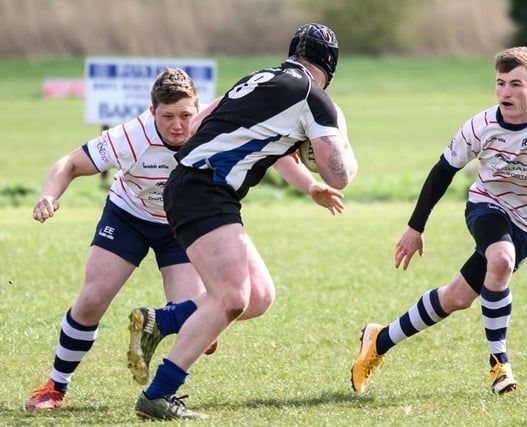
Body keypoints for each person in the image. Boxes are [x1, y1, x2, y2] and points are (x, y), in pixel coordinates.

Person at [24, 67, 343, 412]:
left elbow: (276, 153)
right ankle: (55, 387)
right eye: (167, 117)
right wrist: (48, 195)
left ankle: (155, 323)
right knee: (92, 300)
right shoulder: (133, 136)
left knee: (210, 328)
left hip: (185, 227)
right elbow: (69, 163)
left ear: (198, 108)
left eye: (185, 115)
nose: (178, 125)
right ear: (152, 113)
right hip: (129, 217)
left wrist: (310, 185)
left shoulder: (215, 124)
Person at [128, 23, 357, 421]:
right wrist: (340, 140)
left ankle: (161, 320)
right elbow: (340, 175)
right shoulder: (314, 98)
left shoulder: (260, 78)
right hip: (204, 188)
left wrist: (306, 183)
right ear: (330, 64)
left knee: (258, 296)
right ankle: (159, 394)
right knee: (232, 298)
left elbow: (199, 125)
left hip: (197, 186)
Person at [351, 46, 527, 395]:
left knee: (456, 298)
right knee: (500, 260)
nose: (506, 93)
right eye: (500, 83)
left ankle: (379, 340)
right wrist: (415, 227)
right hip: (487, 205)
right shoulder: (481, 125)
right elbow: (442, 172)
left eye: (516, 84)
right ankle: (499, 364)